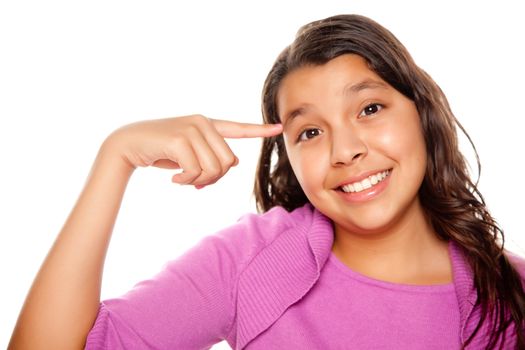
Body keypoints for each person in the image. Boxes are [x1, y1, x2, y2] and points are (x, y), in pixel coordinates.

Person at [8, 14, 525, 350]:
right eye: (310, 132)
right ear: (289, 158)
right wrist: (114, 157)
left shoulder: (512, 291)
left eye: (369, 108)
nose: (345, 151)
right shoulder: (253, 260)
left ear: (422, 113)